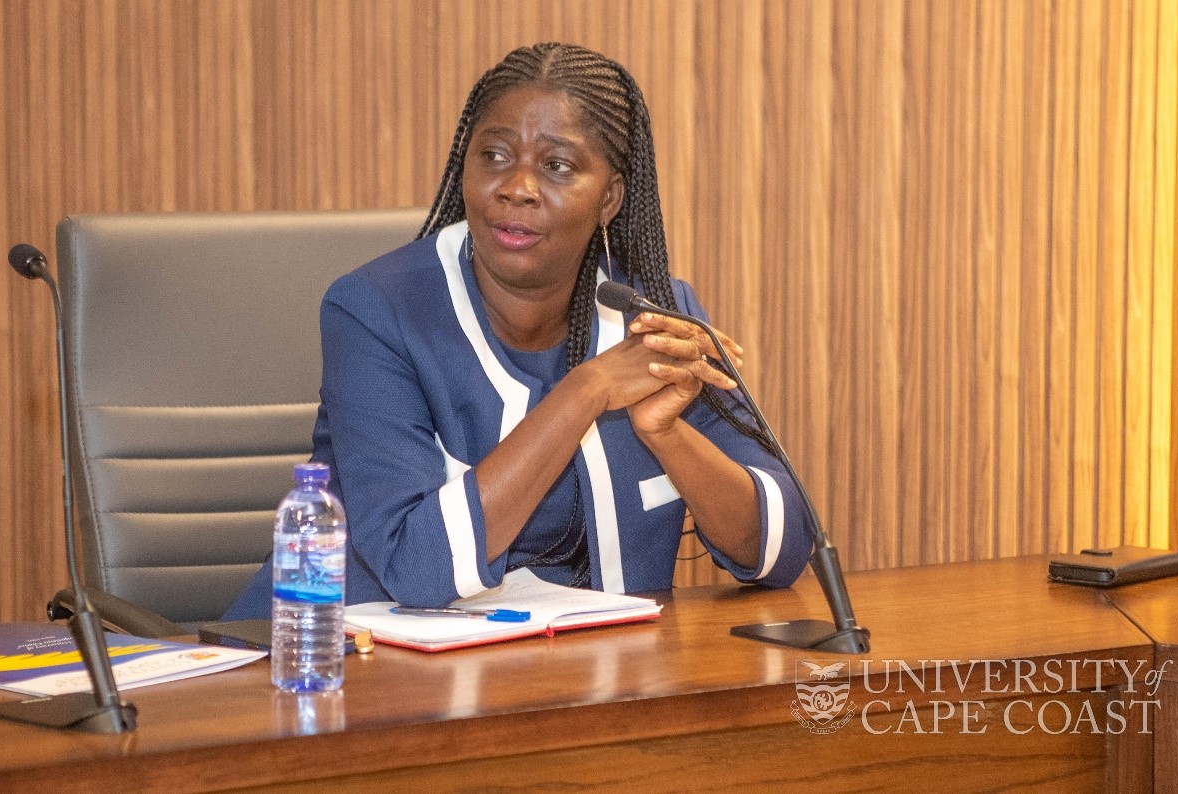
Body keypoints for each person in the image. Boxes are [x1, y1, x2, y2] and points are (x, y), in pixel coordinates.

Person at [225, 42, 812, 616]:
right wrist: (586, 391)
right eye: (495, 156)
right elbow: (414, 567)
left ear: (609, 198)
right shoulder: (378, 312)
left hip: (578, 667)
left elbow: (781, 551)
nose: (517, 187)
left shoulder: (652, 319)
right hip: (333, 659)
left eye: (557, 166)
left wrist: (669, 436)